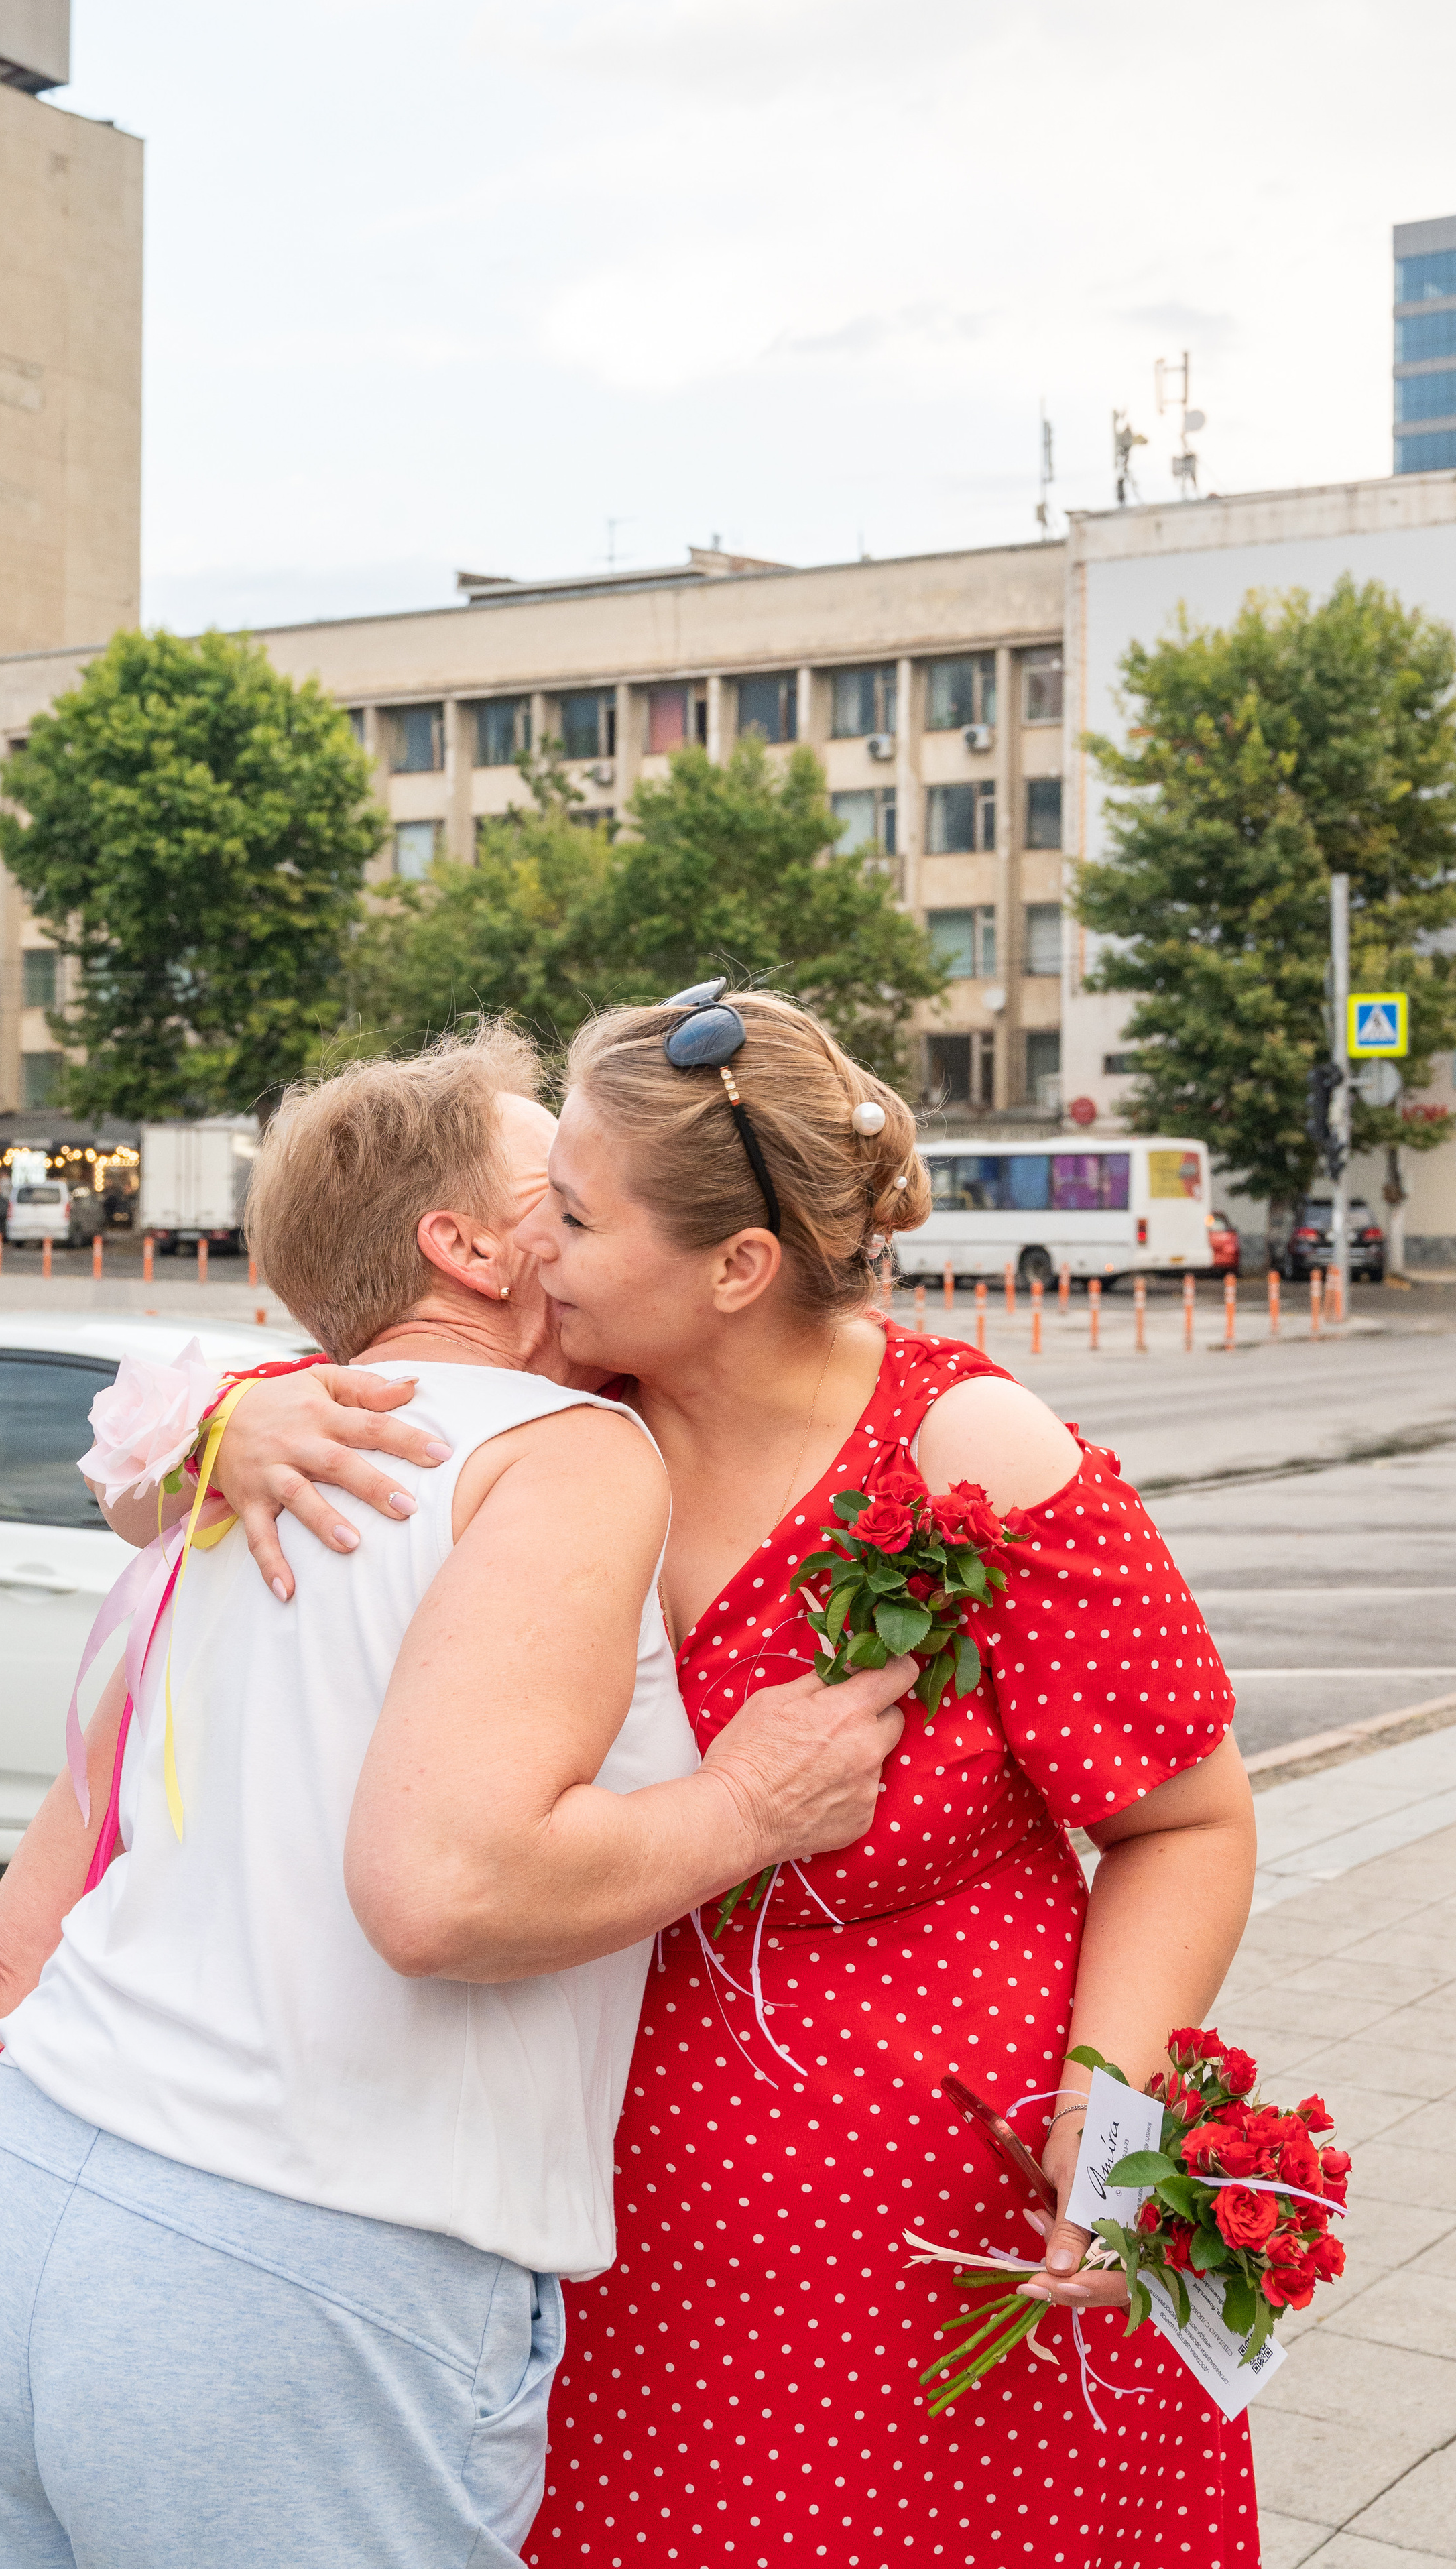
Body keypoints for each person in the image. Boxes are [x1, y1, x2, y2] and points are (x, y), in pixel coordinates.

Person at [190, 988, 1262, 2569]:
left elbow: (1187, 1818)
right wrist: (226, 1423)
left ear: (735, 1267)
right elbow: (195, 1419)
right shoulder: (553, 1406)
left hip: (952, 2262)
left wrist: (1103, 2126)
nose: (528, 1245)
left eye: (571, 1211)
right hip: (617, 2267)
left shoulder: (969, 1448)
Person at [0, 1024, 914, 2569]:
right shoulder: (562, 1446)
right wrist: (753, 1802)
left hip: (28, 2204)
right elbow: (447, 1890)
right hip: (298, 2280)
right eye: (552, 1187)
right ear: (470, 1247)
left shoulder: (223, 1483)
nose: (580, 1205)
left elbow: (8, 1966)